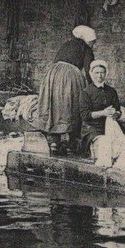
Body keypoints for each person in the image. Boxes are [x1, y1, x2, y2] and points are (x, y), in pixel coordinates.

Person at [38, 25, 97, 156]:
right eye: (93, 42)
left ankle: (54, 142)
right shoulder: (86, 48)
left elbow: (56, 60)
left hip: (53, 75)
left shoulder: (66, 44)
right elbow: (90, 70)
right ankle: (72, 143)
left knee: (55, 105)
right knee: (73, 106)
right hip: (70, 76)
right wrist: (94, 88)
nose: (93, 45)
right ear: (87, 40)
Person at [78, 60, 121, 154]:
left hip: (110, 126)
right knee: (105, 144)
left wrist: (115, 114)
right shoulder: (86, 92)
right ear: (91, 74)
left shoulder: (111, 91)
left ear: (106, 74)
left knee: (123, 143)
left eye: (102, 72)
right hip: (92, 128)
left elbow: (118, 110)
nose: (99, 76)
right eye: (96, 73)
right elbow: (85, 115)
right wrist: (103, 113)